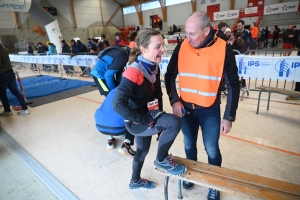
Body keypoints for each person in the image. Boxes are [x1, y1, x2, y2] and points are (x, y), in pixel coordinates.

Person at [165, 11, 240, 200]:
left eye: (192, 34)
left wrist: (228, 116)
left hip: (210, 110)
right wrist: (175, 100)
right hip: (186, 109)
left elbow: (233, 84)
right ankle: (192, 175)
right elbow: (169, 75)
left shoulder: (224, 49)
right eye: (186, 33)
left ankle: (214, 183)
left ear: (207, 30)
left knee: (212, 149)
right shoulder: (182, 46)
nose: (187, 38)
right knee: (189, 144)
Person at [112, 28, 186, 190]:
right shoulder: (133, 72)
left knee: (142, 151)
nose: (164, 49)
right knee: (174, 122)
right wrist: (146, 119)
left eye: (163, 45)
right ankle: (161, 160)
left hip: (147, 116)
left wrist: (157, 114)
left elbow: (156, 94)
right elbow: (117, 104)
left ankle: (135, 181)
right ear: (144, 49)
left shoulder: (153, 66)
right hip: (137, 122)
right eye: (158, 46)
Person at [94, 88, 136, 157]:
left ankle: (110, 139)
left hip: (100, 125)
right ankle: (126, 144)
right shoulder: (130, 91)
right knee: (133, 118)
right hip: (117, 128)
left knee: (109, 112)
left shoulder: (113, 90)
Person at [0, 43, 30, 116]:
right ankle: (25, 109)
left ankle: (7, 110)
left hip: (2, 75)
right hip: (10, 72)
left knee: (2, 94)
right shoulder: (5, 50)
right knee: (16, 92)